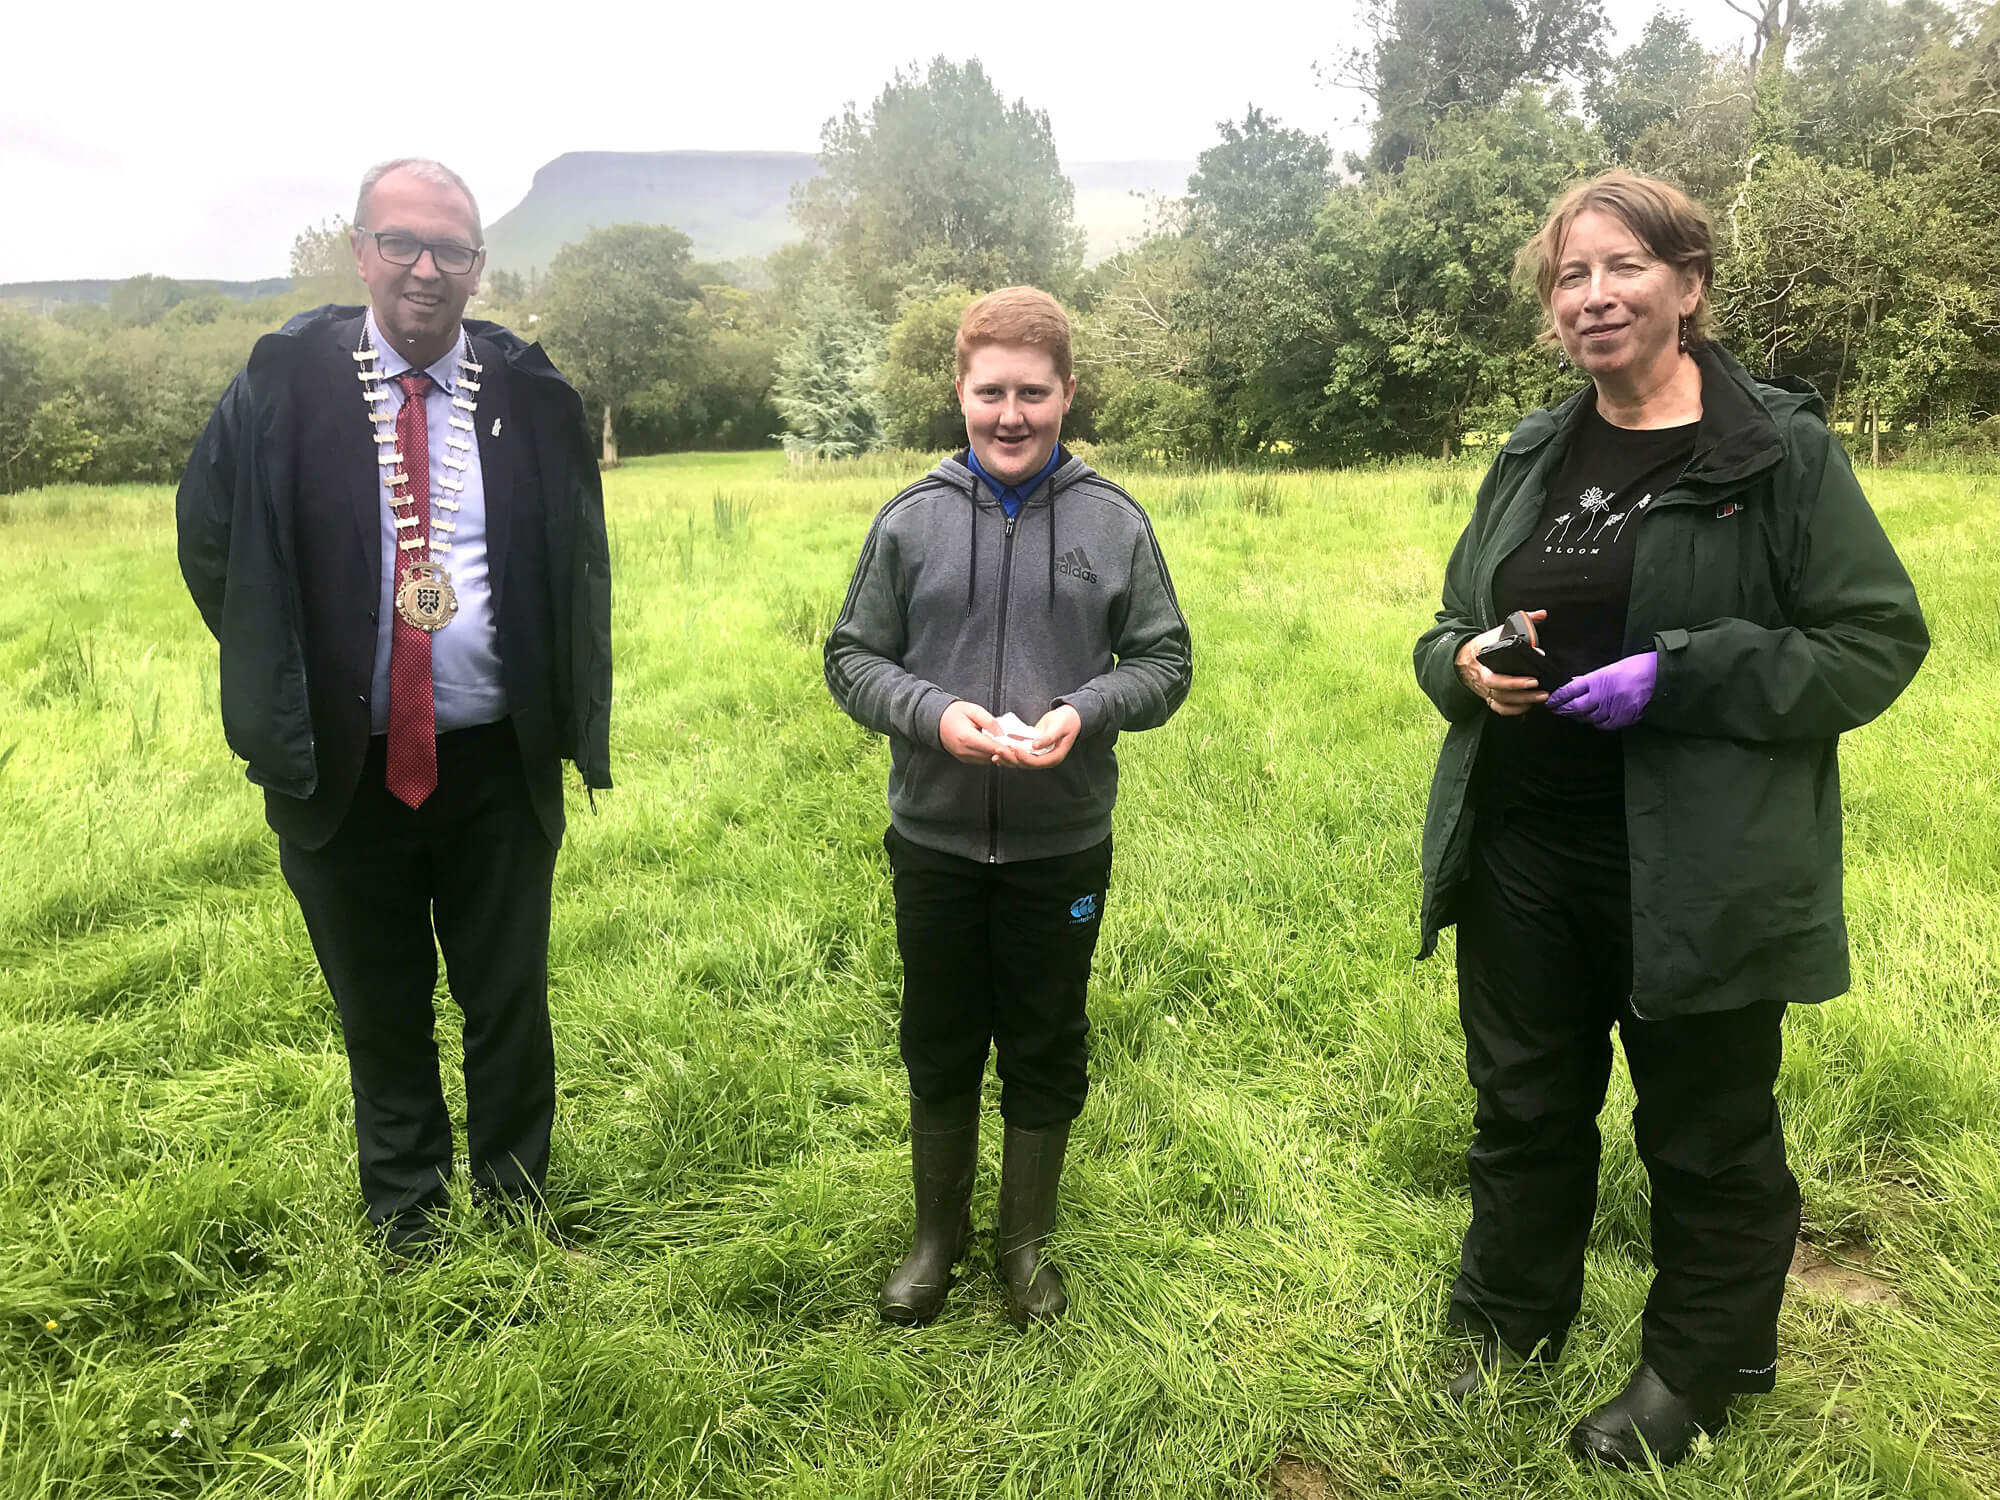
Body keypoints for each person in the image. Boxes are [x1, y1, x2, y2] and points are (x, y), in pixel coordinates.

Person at [1412, 171, 1927, 1466]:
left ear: (1688, 286)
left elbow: (1873, 642)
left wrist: (1684, 675)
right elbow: (1443, 627)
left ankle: (1700, 1367)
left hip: (1697, 865)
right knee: (1523, 1105)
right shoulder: (1534, 454)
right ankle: (1509, 1319)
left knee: (1703, 1128)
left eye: (1622, 267)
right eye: (1570, 277)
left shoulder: (1774, 453)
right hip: (1526, 844)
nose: (1593, 296)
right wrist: (1462, 669)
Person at [177, 158, 612, 1258]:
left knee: (506, 998)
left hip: (491, 765)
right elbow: (208, 540)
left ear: (477, 265)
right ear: (360, 250)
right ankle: (407, 1221)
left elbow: (574, 563)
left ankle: (517, 1209)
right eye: (402, 245)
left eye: (451, 250)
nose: (427, 269)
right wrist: (283, 673)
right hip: (340, 768)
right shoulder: (281, 385)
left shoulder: (525, 392)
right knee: (380, 1004)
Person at [825, 287, 1193, 1328]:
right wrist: (932, 715)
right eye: (991, 392)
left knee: (1045, 1037)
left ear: (1066, 393)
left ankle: (1022, 1245)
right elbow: (850, 658)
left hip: (1059, 844)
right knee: (938, 1037)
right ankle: (934, 1238)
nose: (1011, 415)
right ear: (960, 391)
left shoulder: (1113, 522)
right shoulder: (910, 519)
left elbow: (1165, 662)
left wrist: (1088, 708)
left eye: (1033, 392)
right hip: (932, 839)